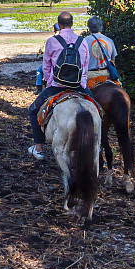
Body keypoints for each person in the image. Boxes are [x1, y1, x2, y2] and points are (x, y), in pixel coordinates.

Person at [27, 12, 93, 160]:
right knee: (99, 111)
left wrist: (50, 84)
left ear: (59, 24)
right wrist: (82, 84)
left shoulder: (51, 41)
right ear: (72, 23)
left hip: (57, 86)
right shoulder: (82, 41)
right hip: (79, 86)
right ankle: (98, 145)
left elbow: (46, 67)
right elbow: (85, 65)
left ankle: (38, 148)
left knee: (33, 110)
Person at [86, 16, 118, 81]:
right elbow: (113, 60)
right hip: (106, 73)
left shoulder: (84, 41)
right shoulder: (109, 40)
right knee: (119, 86)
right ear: (101, 27)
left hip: (90, 75)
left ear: (89, 28)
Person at [35, 23, 60, 93]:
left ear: (54, 29)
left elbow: (44, 51)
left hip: (52, 62)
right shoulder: (66, 37)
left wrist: (39, 52)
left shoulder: (51, 40)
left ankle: (39, 87)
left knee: (39, 71)